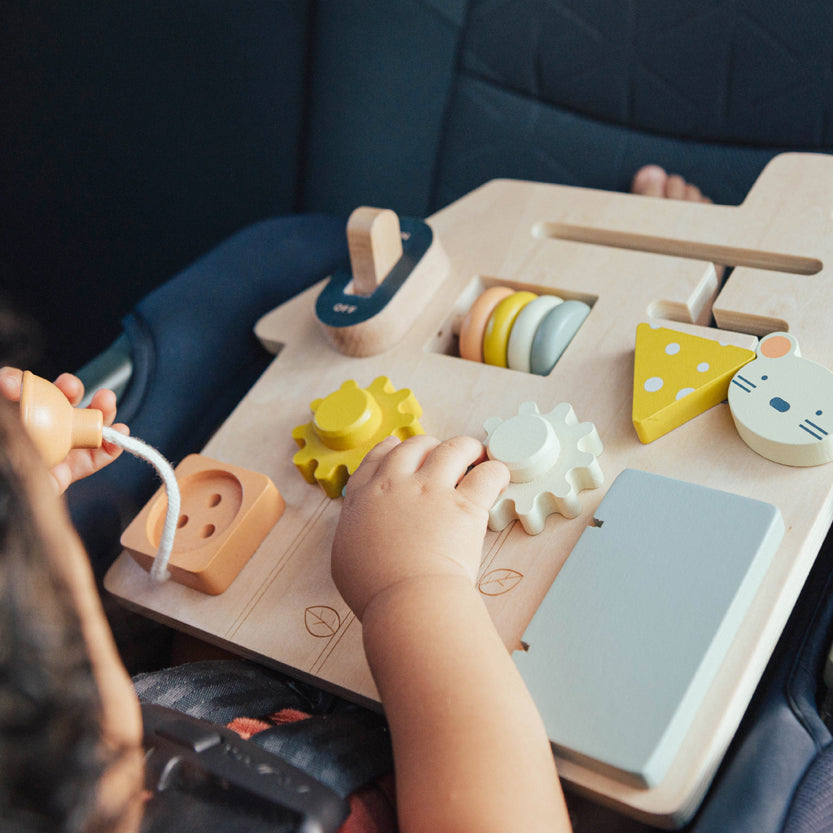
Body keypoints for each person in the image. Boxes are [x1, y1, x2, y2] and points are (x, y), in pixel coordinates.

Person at [0, 166, 713, 833]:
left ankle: (646, 263)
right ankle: (687, 290)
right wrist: (415, 588)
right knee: (611, 762)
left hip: (247, 705)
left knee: (204, 631)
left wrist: (29, 495)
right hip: (469, 769)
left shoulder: (72, 766)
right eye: (52, 580)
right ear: (64, 724)